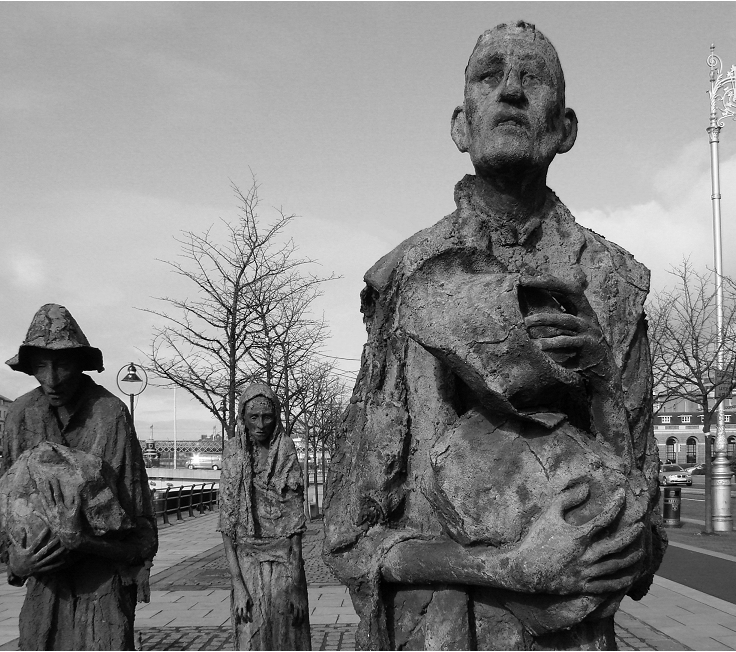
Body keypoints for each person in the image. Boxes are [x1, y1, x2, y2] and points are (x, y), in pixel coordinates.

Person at [324, 21, 665, 650]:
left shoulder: (615, 288)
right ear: (461, 124)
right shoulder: (407, 279)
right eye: (490, 76)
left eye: (532, 78)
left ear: (566, 129)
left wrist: (600, 390)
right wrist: (504, 568)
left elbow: (646, 535)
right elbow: (353, 536)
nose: (509, 90)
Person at [0, 304, 157, 651]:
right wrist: (16, 562)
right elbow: (7, 504)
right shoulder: (19, 415)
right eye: (40, 366)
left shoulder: (110, 413)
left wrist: (124, 558)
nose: (52, 380)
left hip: (102, 585)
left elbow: (138, 515)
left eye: (63, 364)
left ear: (80, 362)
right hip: (46, 588)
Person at [219, 383, 311, 650]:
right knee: (250, 635)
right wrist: (237, 584)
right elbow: (227, 523)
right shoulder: (233, 452)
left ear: (276, 418)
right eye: (253, 417)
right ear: (243, 419)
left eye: (267, 417)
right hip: (247, 560)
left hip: (285, 561)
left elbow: (295, 525)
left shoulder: (285, 449)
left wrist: (295, 585)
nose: (260, 424)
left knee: (289, 636)